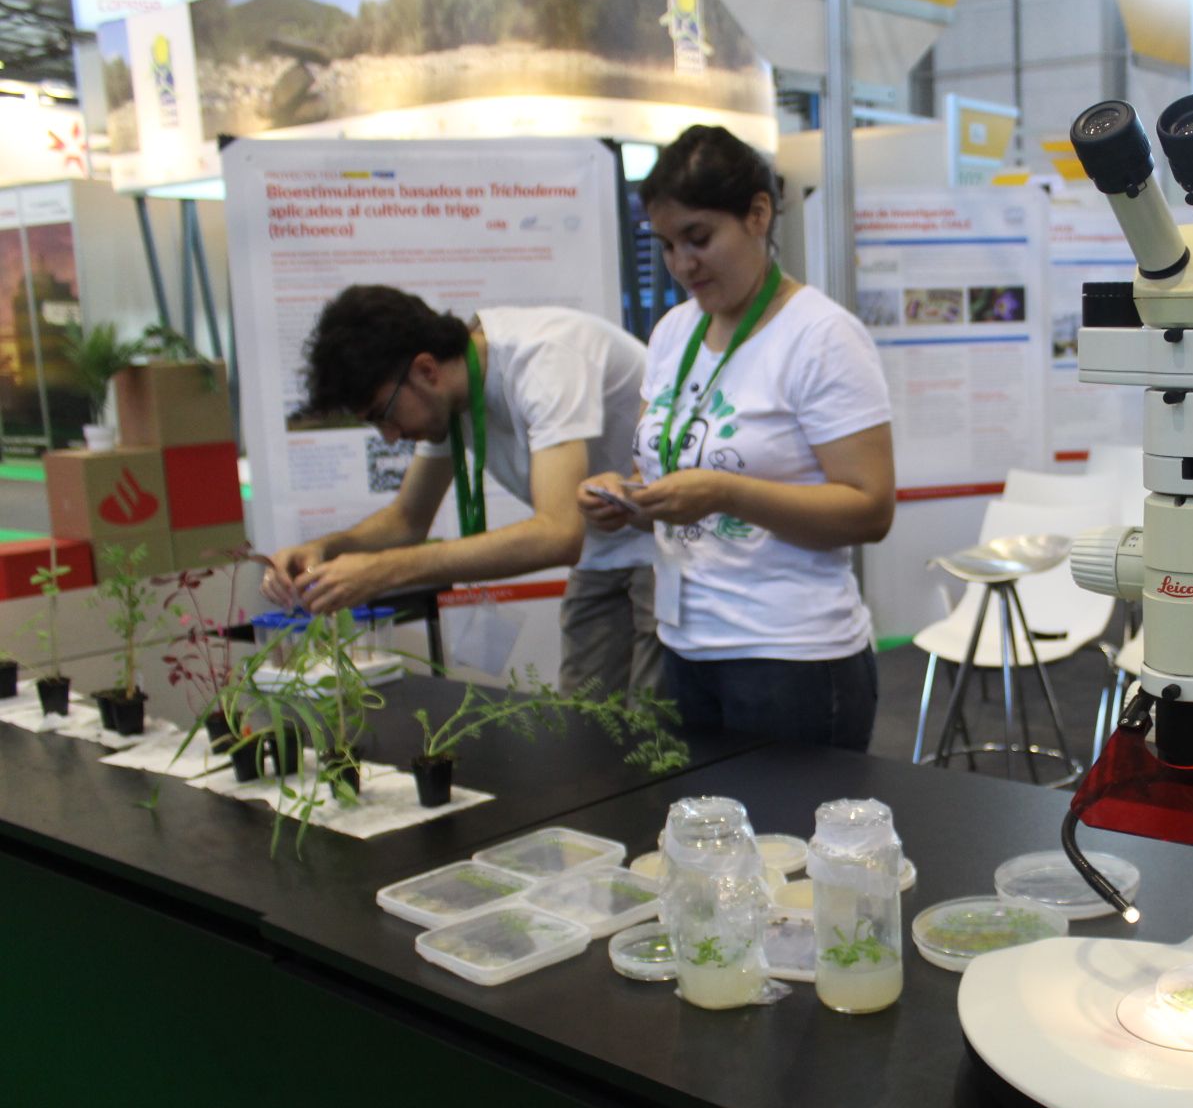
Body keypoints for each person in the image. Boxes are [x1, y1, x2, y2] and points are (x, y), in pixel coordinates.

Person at [578, 125, 895, 750]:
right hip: (683, 645)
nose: (681, 264)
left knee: (794, 845)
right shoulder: (674, 331)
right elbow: (674, 486)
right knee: (697, 846)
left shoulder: (822, 337)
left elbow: (869, 508)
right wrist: (630, 499)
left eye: (698, 238)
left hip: (792, 658)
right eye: (666, 245)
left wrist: (726, 492)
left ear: (758, 213)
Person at [266, 288, 661, 699]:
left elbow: (558, 535)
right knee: (585, 722)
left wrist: (381, 571)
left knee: (660, 731)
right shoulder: (451, 395)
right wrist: (324, 548)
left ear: (426, 370)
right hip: (602, 552)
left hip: (667, 544)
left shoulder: (542, 358)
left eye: (385, 414)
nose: (390, 436)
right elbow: (406, 520)